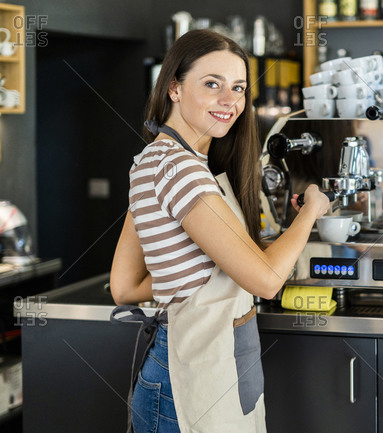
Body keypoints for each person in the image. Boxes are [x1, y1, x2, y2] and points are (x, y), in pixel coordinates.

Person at [110, 29, 330, 433]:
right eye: (212, 84)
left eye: (239, 87)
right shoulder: (183, 172)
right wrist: (311, 211)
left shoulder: (151, 159)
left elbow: (124, 286)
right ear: (174, 87)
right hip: (190, 382)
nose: (230, 101)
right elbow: (265, 281)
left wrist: (200, 275)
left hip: (181, 365)